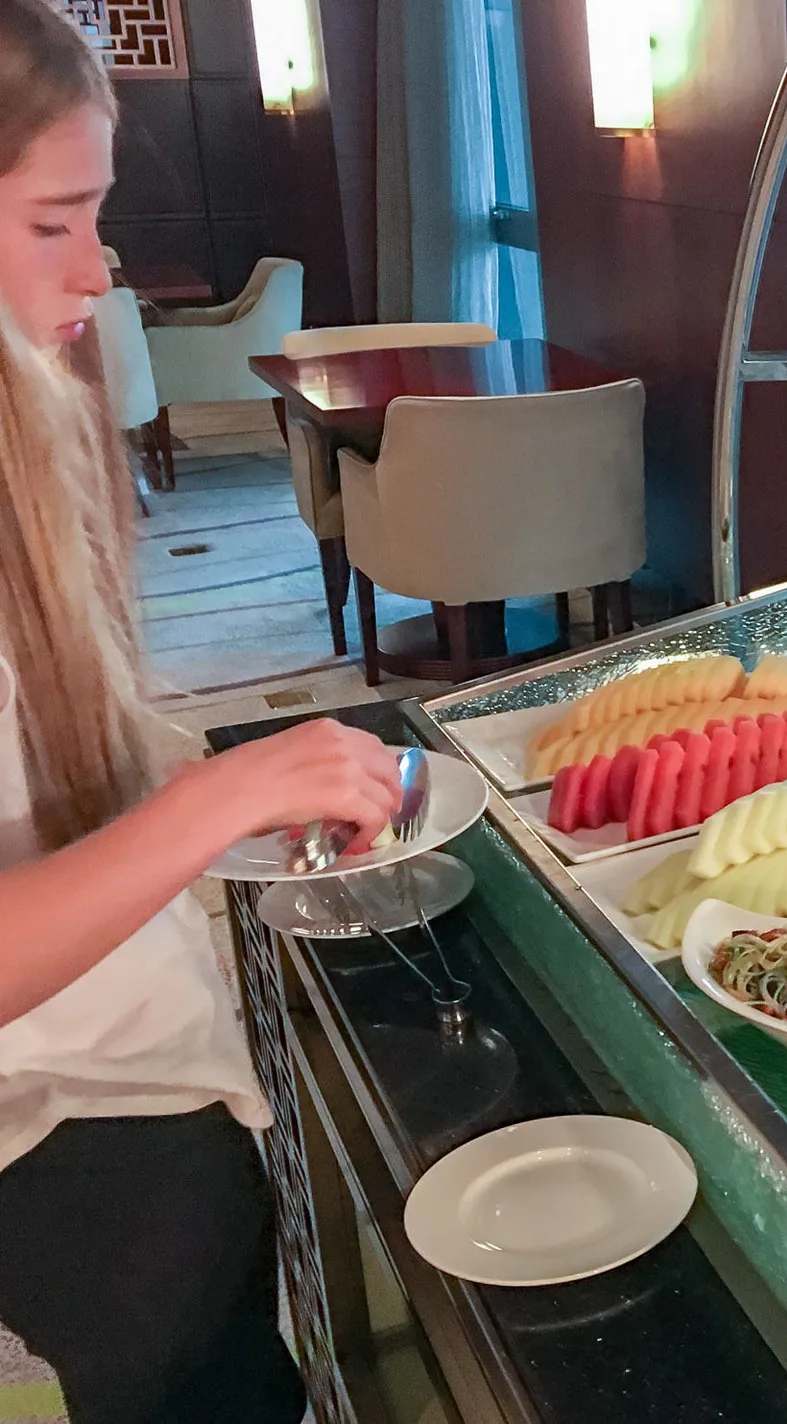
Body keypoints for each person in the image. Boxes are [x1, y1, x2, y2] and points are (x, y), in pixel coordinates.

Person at [0, 3, 402, 1419]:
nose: (96, 269)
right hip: (56, 1161)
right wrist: (218, 797)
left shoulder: (27, 442)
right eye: (57, 221)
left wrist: (228, 797)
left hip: (137, 1085)